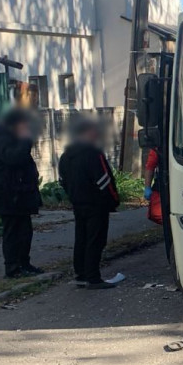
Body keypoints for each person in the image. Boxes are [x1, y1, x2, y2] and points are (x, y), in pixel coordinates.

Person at [0, 109, 44, 279]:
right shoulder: (0, 139)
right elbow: (13, 158)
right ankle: (12, 267)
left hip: (18, 194)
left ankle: (24, 263)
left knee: (24, 230)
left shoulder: (9, 138)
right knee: (13, 230)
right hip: (7, 195)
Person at [58, 117, 120, 289]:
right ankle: (93, 277)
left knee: (82, 238)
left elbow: (62, 180)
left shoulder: (66, 155)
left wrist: (72, 195)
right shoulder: (93, 153)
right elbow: (104, 180)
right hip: (96, 203)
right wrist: (113, 201)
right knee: (96, 239)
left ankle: (81, 274)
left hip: (78, 203)